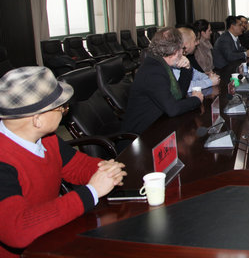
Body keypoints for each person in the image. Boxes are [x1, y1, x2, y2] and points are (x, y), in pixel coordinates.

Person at [0, 66, 127, 257]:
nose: (65, 111)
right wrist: (91, 192)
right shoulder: (3, 161)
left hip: (49, 236)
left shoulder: (46, 138)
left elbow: (77, 166)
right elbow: (17, 231)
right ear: (37, 120)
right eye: (61, 108)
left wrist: (105, 170)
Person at [123, 27, 204, 135]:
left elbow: (179, 94)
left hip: (159, 121)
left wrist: (187, 68)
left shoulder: (160, 64)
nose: (183, 53)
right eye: (182, 49)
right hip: (142, 133)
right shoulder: (153, 71)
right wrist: (196, 100)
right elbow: (173, 109)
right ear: (175, 51)